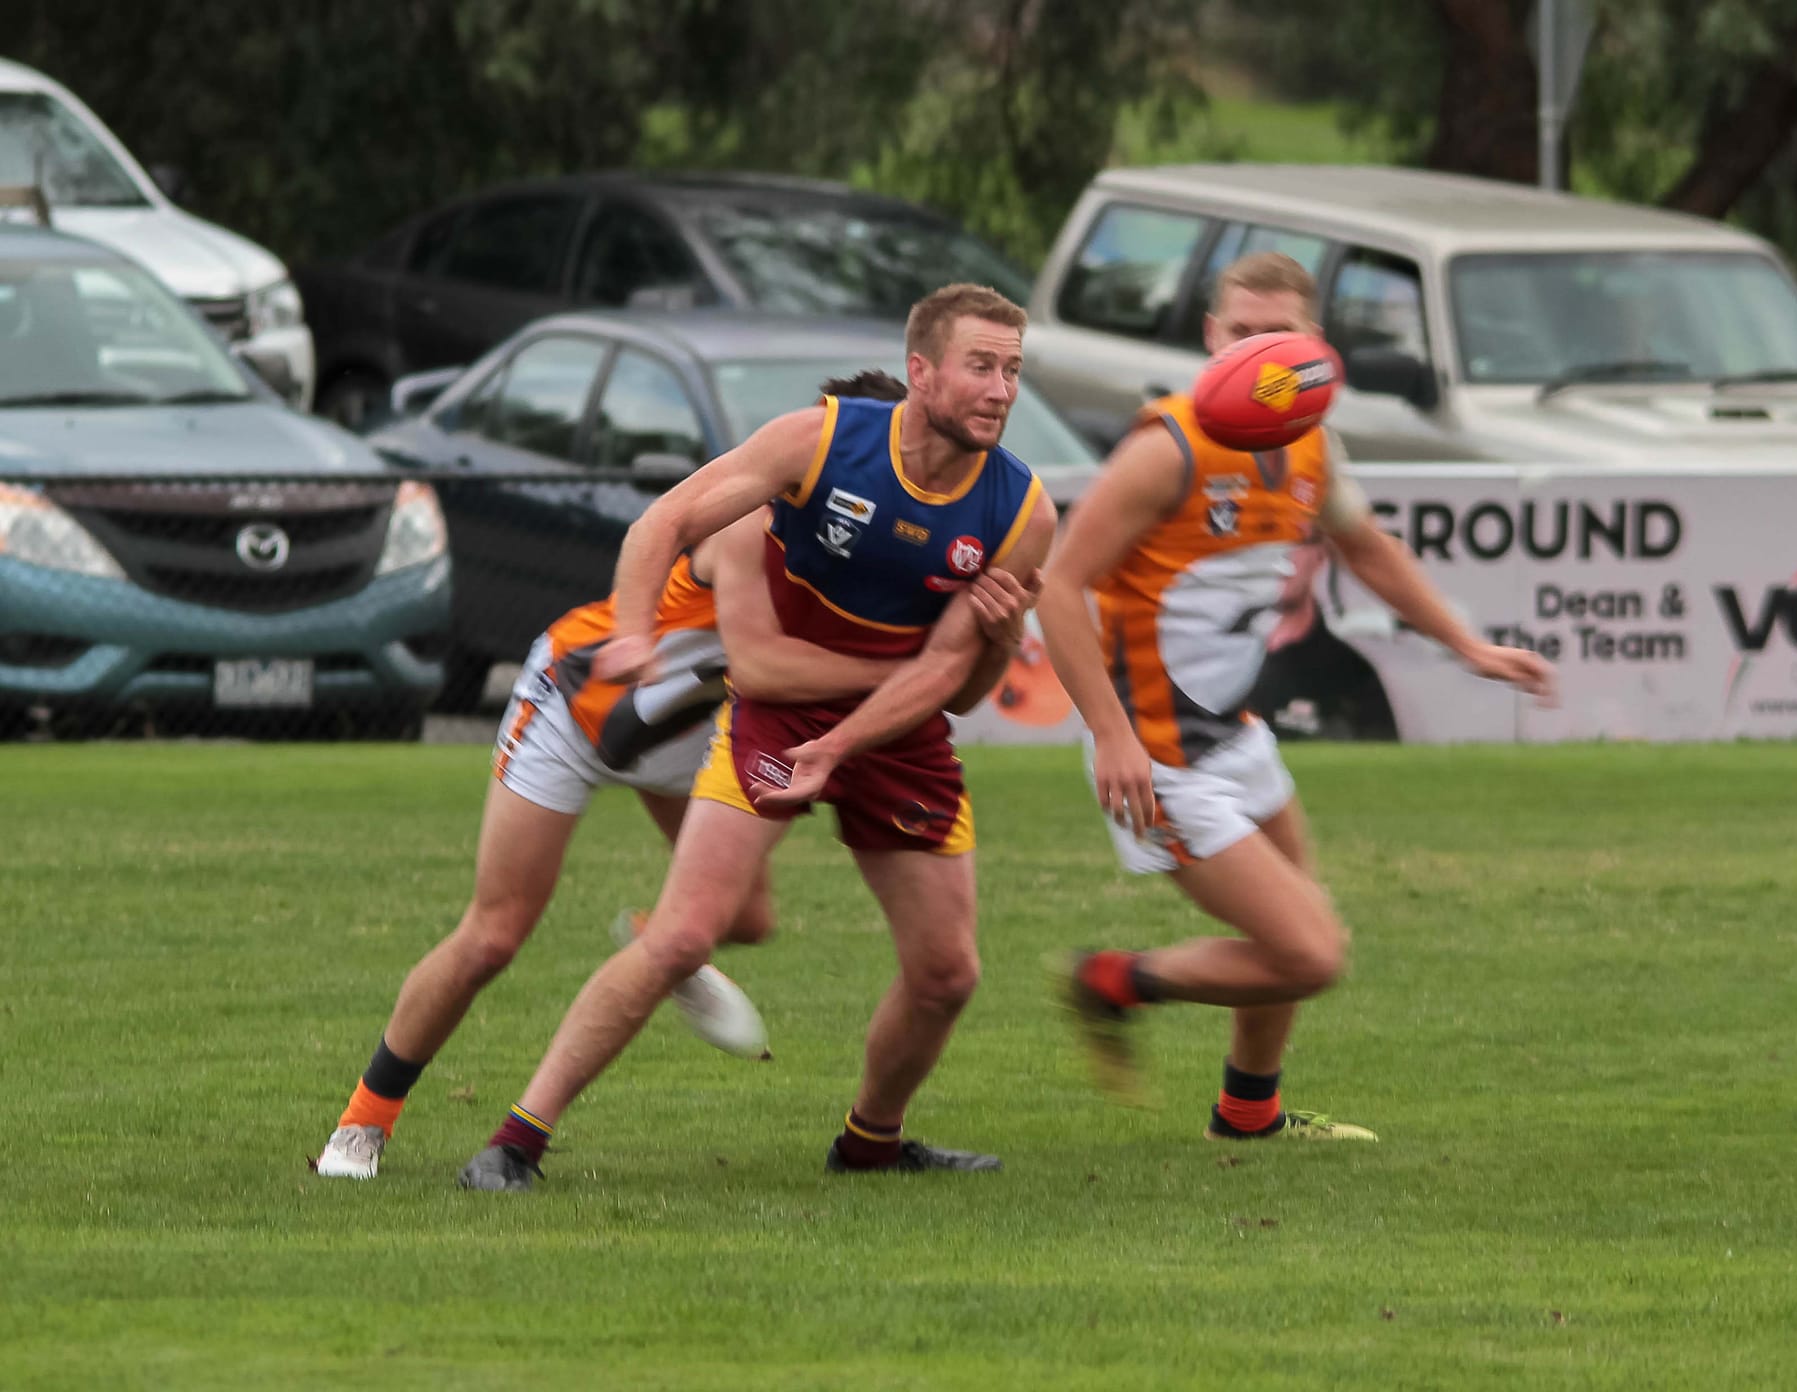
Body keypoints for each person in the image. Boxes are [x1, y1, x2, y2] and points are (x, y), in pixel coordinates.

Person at [313, 371, 1031, 1182]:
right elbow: (762, 664)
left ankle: (660, 940)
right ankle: (363, 1124)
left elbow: (937, 676)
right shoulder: (756, 522)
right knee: (495, 933)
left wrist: (963, 654)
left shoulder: (896, 548)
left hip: (684, 725)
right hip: (585, 702)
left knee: (747, 921)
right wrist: (918, 669)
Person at [1036, 251, 1556, 1140]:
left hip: (1231, 732)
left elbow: (1366, 548)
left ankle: (1249, 1115)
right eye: (1242, 334)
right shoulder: (1168, 446)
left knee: (1289, 940)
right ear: (1210, 339)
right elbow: (1059, 583)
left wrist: (1465, 643)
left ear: (1313, 347)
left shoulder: (1310, 442)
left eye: (1280, 337)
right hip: (1155, 747)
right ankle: (1114, 982)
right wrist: (1110, 734)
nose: (1260, 354)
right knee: (1311, 953)